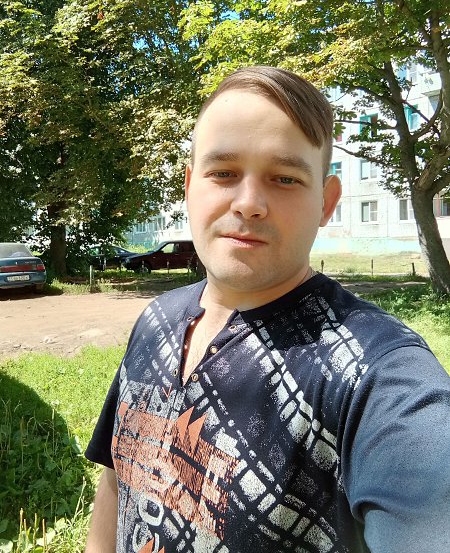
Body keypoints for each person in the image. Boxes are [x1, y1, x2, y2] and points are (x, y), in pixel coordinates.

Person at [84, 66, 450, 553]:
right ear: (190, 185)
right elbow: (117, 480)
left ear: (326, 202)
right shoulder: (155, 320)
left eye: (284, 178)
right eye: (223, 173)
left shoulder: (377, 375)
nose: (249, 203)